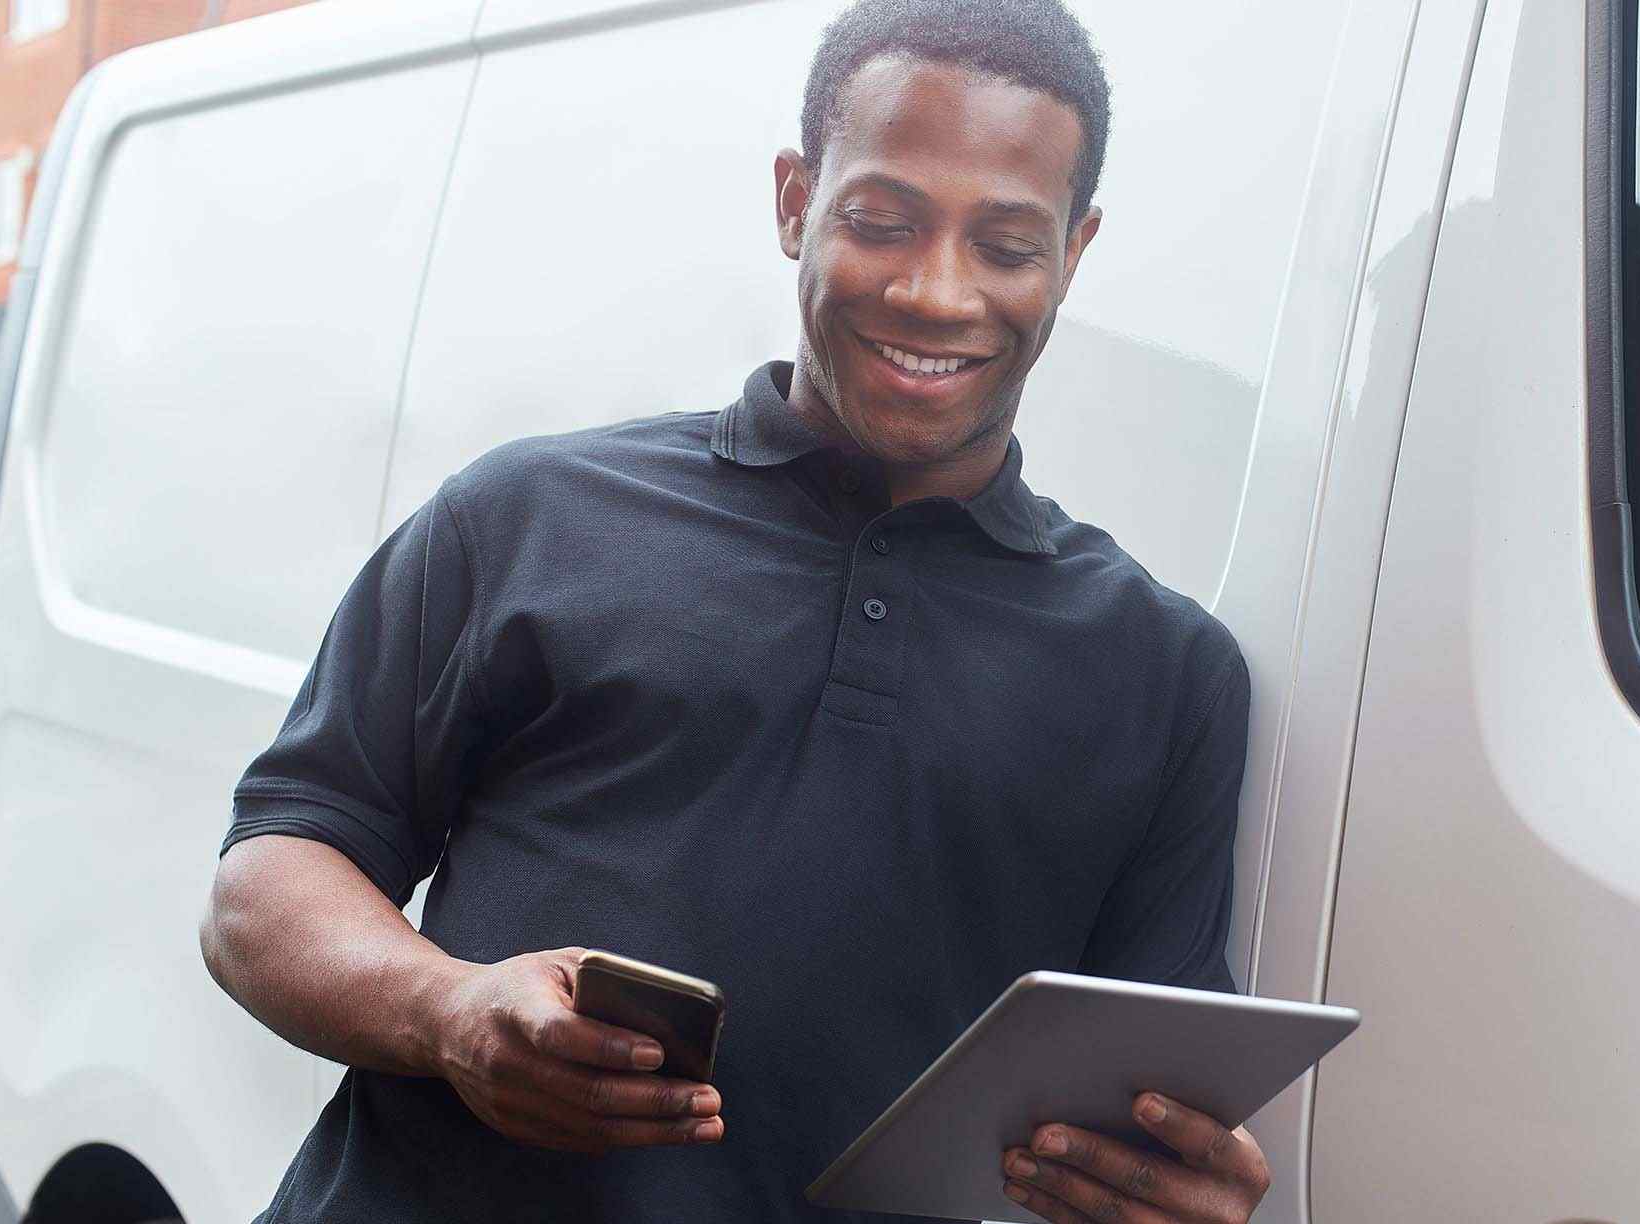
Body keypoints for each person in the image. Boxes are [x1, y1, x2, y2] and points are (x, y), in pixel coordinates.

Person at [199, 1, 1273, 1220]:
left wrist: (1169, 1196)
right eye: (882, 222)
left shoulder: (1167, 674)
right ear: (791, 203)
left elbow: (1147, 1111)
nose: (935, 292)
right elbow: (265, 884)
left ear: (1073, 254)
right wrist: (447, 1012)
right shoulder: (529, 515)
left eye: (1007, 246)